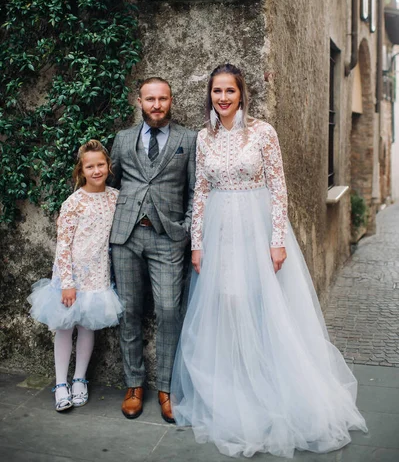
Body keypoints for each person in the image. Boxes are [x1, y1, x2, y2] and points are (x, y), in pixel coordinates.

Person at [171, 64, 367, 458]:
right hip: (218, 232)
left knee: (261, 305)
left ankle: (268, 384)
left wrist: (277, 240)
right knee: (226, 304)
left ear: (242, 93)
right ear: (209, 95)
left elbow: (279, 188)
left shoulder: (263, 132)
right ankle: (234, 386)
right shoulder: (202, 138)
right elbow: (201, 192)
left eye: (229, 90)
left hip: (258, 230)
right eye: (216, 91)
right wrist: (197, 243)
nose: (223, 98)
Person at [110, 77, 196, 423]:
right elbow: (110, 186)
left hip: (168, 238)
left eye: (162, 99)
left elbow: (195, 190)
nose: (156, 105)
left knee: (168, 311)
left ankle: (166, 387)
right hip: (127, 237)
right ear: (140, 101)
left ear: (171, 101)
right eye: (150, 99)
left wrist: (185, 229)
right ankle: (133, 386)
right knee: (128, 310)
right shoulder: (123, 139)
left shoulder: (187, 140)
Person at [28, 139, 123, 412]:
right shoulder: (74, 203)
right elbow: (63, 245)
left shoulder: (115, 198)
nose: (96, 171)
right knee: (65, 327)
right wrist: (67, 283)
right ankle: (60, 383)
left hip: (98, 275)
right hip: (71, 277)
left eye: (100, 165)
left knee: (87, 326)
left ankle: (80, 378)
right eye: (90, 166)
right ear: (81, 170)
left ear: (108, 166)